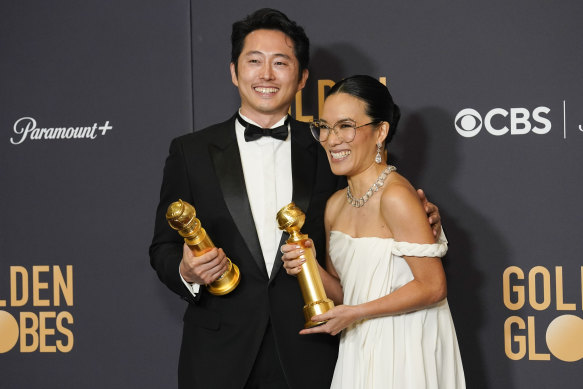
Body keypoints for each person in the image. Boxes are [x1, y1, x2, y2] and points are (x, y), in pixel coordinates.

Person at [150, 9, 442, 389]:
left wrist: (425, 218)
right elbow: (163, 248)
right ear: (234, 72)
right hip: (219, 354)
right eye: (254, 61)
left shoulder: (333, 146)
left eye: (280, 63)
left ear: (302, 77)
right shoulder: (190, 152)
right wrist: (187, 272)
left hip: (314, 349)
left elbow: (381, 196)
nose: (266, 74)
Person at [281, 75, 465, 388]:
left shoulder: (396, 196)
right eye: (324, 126)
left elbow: (433, 287)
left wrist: (355, 313)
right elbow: (345, 292)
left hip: (406, 347)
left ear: (380, 131)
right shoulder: (335, 205)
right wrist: (308, 264)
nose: (331, 139)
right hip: (359, 347)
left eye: (346, 126)